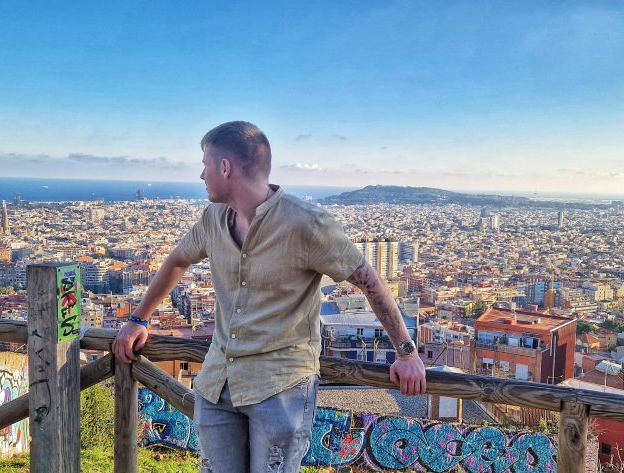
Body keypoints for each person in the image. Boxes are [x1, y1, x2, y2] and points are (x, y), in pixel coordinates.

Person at [112, 121, 426, 473]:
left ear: (225, 167)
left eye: (206, 163)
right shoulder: (213, 219)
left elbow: (369, 281)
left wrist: (406, 352)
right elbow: (178, 260)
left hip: (280, 387)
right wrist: (138, 319)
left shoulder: (306, 224)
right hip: (218, 381)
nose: (201, 174)